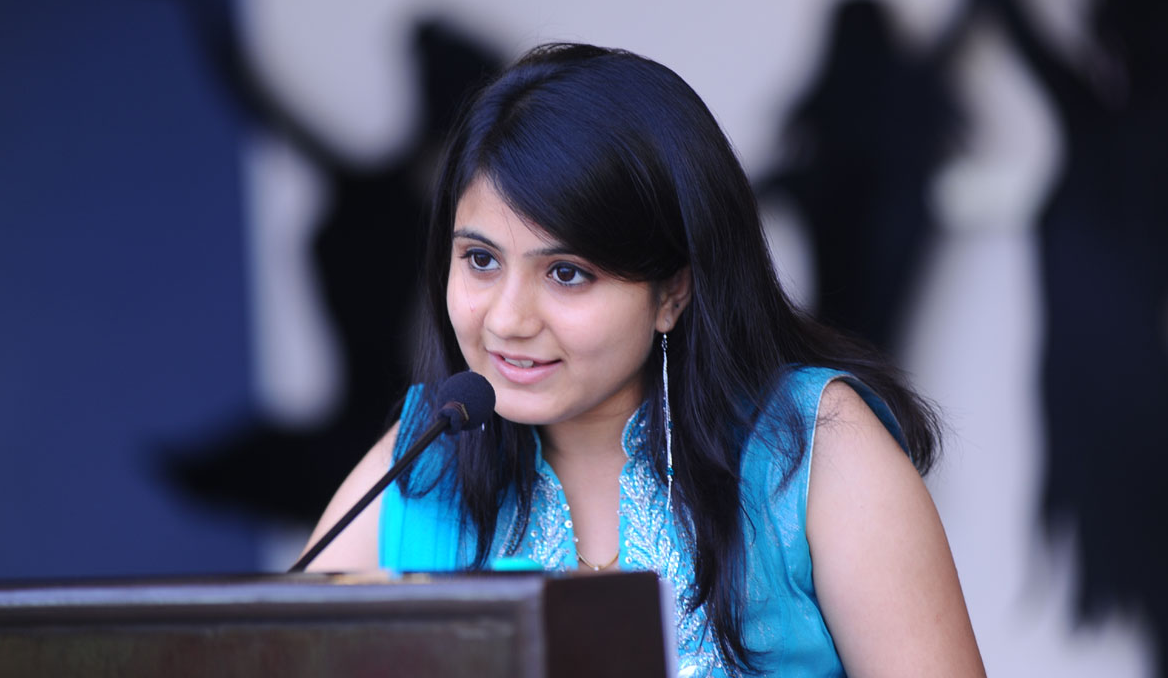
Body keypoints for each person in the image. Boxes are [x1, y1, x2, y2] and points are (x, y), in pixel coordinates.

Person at [304, 43, 986, 676]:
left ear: (672, 293)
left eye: (566, 273)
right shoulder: (421, 463)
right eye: (480, 260)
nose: (507, 320)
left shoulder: (813, 451)